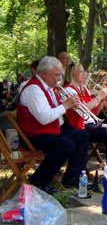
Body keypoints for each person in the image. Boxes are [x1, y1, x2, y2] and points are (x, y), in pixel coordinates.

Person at [17, 56, 89, 193]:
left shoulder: (48, 87)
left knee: (82, 136)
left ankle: (72, 178)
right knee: (66, 145)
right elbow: (44, 118)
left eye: (60, 75)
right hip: (34, 135)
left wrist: (66, 104)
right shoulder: (34, 89)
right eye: (56, 75)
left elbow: (56, 114)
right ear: (44, 73)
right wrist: (66, 105)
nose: (58, 79)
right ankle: (38, 181)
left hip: (49, 131)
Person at [63, 62, 107, 164]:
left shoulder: (83, 89)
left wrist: (102, 101)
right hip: (79, 125)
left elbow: (94, 112)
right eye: (80, 72)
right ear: (72, 74)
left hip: (91, 122)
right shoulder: (69, 89)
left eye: (83, 71)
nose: (84, 74)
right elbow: (82, 109)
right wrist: (98, 97)